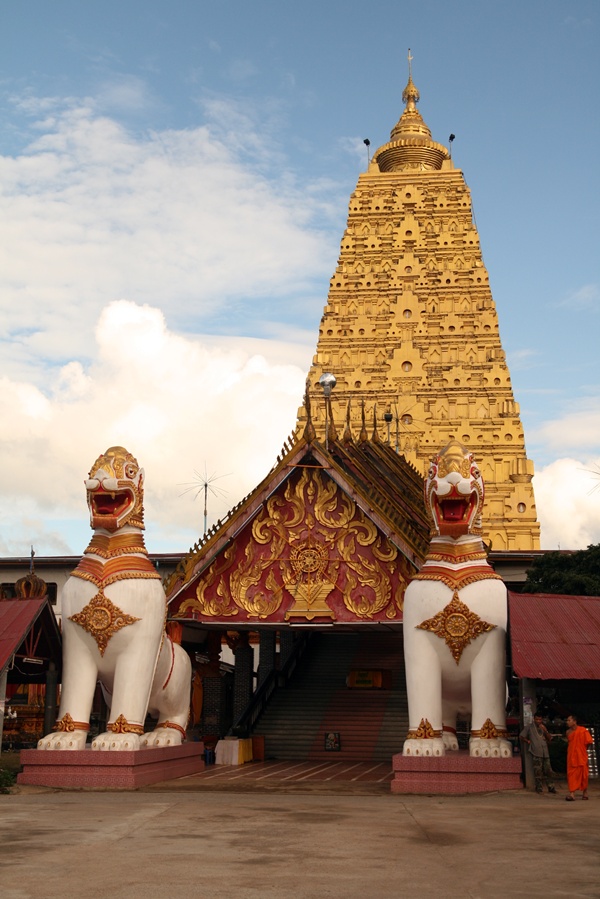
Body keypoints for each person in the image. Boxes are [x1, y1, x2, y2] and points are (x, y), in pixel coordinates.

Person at [520, 712, 556, 794]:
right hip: (536, 752)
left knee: (548, 771)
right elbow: (521, 736)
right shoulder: (529, 727)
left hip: (545, 752)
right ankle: (539, 787)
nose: (538, 721)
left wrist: (545, 730)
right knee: (538, 771)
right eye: (537, 719)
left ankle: (551, 787)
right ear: (534, 719)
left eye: (540, 719)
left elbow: (549, 739)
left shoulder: (543, 728)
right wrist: (528, 741)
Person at [565, 714, 593, 801]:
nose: (567, 722)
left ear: (574, 721)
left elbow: (588, 742)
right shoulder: (568, 732)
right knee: (571, 774)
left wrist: (582, 751)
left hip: (581, 755)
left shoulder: (583, 730)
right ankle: (572, 794)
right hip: (571, 756)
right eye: (567, 720)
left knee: (583, 775)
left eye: (569, 720)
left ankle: (585, 792)